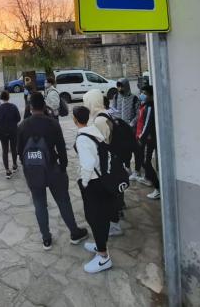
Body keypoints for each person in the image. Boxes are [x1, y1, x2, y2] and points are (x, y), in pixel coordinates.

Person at [16, 92, 88, 250]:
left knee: (39, 204)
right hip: (53, 168)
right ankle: (74, 232)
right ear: (44, 105)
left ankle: (46, 239)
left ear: (30, 106)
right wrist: (63, 167)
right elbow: (61, 148)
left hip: (33, 171)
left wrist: (27, 168)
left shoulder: (22, 126)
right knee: (63, 201)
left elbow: (19, 151)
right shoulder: (52, 123)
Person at [72, 106, 114, 273]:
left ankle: (103, 257)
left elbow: (88, 164)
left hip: (93, 183)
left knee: (94, 218)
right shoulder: (94, 131)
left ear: (75, 120)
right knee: (101, 216)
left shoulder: (82, 138)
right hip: (102, 179)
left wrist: (84, 182)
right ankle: (100, 245)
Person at [83, 89, 123, 237]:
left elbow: (101, 143)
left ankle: (114, 225)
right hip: (111, 161)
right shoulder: (103, 114)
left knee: (108, 195)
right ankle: (114, 219)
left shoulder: (99, 120)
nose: (86, 105)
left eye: (87, 102)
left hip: (107, 164)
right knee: (111, 194)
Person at [114, 78, 142, 181]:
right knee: (125, 150)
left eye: (121, 86)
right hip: (120, 130)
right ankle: (127, 167)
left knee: (136, 150)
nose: (119, 88)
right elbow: (114, 110)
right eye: (118, 86)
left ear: (126, 86)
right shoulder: (116, 97)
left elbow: (138, 114)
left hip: (132, 130)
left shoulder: (134, 98)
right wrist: (115, 120)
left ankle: (137, 170)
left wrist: (131, 123)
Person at [136, 86, 160, 199]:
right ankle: (149, 179)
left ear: (151, 95)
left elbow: (147, 124)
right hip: (143, 137)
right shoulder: (144, 105)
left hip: (148, 139)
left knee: (146, 162)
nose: (142, 95)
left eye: (145, 93)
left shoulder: (150, 106)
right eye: (142, 93)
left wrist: (141, 137)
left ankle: (158, 188)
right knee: (144, 161)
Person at [0, 90, 21, 178]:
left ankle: (7, 170)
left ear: (1, 98)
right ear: (8, 97)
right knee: (13, 148)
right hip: (13, 131)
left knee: (5, 150)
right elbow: (18, 118)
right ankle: (14, 165)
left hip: (2, 132)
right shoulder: (13, 107)